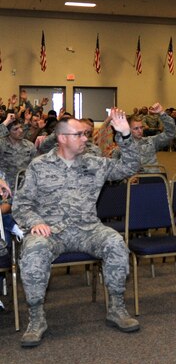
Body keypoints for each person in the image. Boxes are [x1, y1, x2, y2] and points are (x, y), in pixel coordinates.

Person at [14, 108, 141, 348]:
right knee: (33, 250)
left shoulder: (94, 163)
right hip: (51, 232)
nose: (86, 138)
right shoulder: (39, 166)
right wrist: (35, 222)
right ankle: (37, 317)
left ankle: (116, 307)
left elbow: (128, 168)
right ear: (62, 138)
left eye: (86, 134)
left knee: (115, 242)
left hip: (88, 230)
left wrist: (125, 136)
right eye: (80, 134)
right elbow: (21, 205)